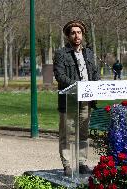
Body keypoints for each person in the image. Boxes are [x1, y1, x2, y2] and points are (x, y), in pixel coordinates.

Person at [53, 20, 99, 176]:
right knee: (66, 133)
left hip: (86, 100)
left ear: (83, 34)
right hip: (69, 100)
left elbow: (94, 74)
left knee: (83, 133)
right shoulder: (61, 54)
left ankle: (81, 163)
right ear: (68, 36)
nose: (76, 35)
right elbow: (60, 76)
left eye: (79, 32)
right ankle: (67, 164)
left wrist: (95, 87)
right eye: (73, 32)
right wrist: (79, 85)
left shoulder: (89, 53)